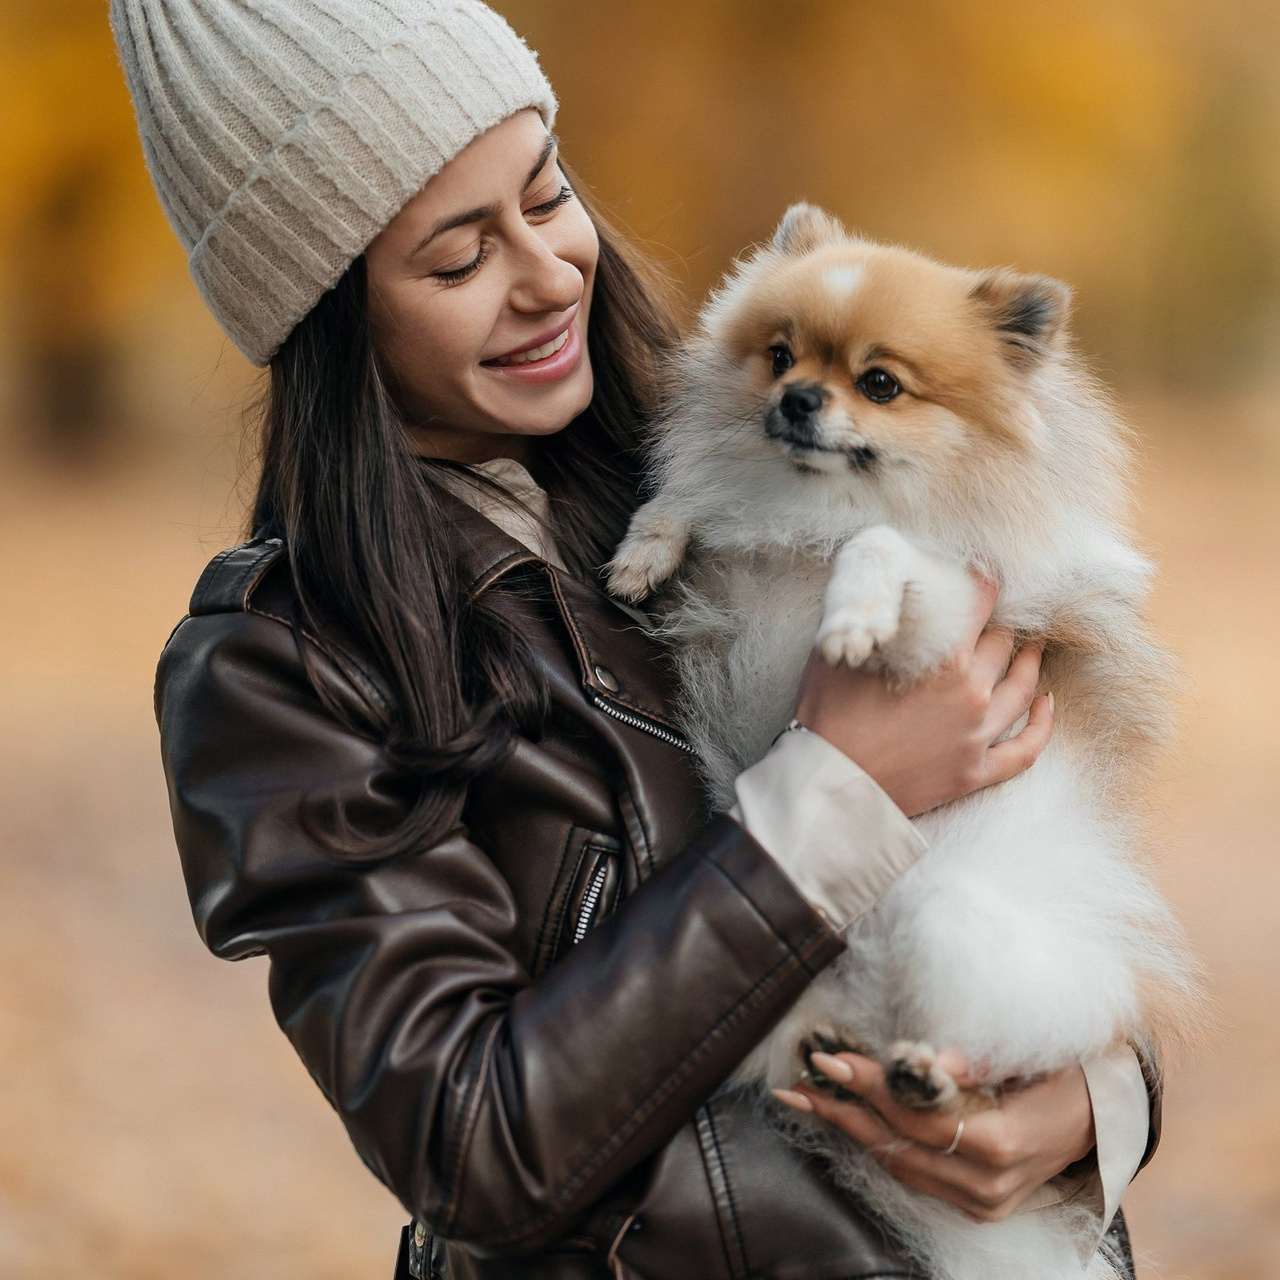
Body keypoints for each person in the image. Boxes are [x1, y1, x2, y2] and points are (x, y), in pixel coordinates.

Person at [112, 1, 1159, 1276]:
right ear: (329, 320)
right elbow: (472, 1145)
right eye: (456, 261)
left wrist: (1094, 1106)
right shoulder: (282, 664)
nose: (549, 273)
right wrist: (838, 792)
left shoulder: (730, 454)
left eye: (546, 196)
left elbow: (1044, 853)